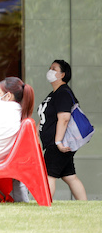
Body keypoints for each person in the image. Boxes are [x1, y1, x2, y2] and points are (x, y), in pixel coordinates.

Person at [38, 60, 88, 200]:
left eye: (54, 68)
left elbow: (64, 117)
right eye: (50, 68)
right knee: (70, 176)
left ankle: (45, 205)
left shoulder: (63, 93)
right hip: (57, 143)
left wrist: (58, 142)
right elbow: (45, 118)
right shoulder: (54, 93)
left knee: (48, 175)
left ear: (62, 74)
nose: (50, 71)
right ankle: (84, 206)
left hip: (59, 143)